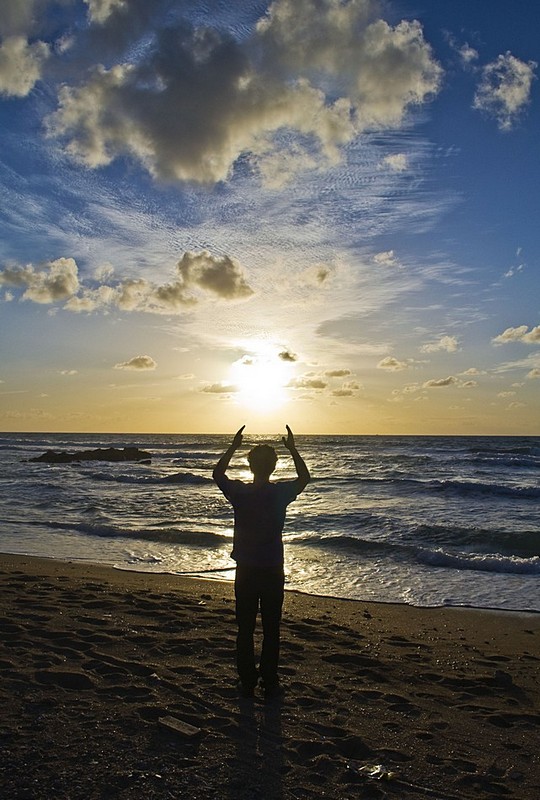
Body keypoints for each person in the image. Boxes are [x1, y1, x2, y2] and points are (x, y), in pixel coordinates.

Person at [213, 425, 310, 698]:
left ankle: (247, 679)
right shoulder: (279, 494)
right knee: (271, 626)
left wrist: (232, 446)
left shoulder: (241, 493)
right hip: (271, 569)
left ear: (251, 465)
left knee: (244, 627)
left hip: (245, 569)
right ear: (274, 467)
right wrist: (293, 449)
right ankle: (269, 679)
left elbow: (217, 474)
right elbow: (304, 477)